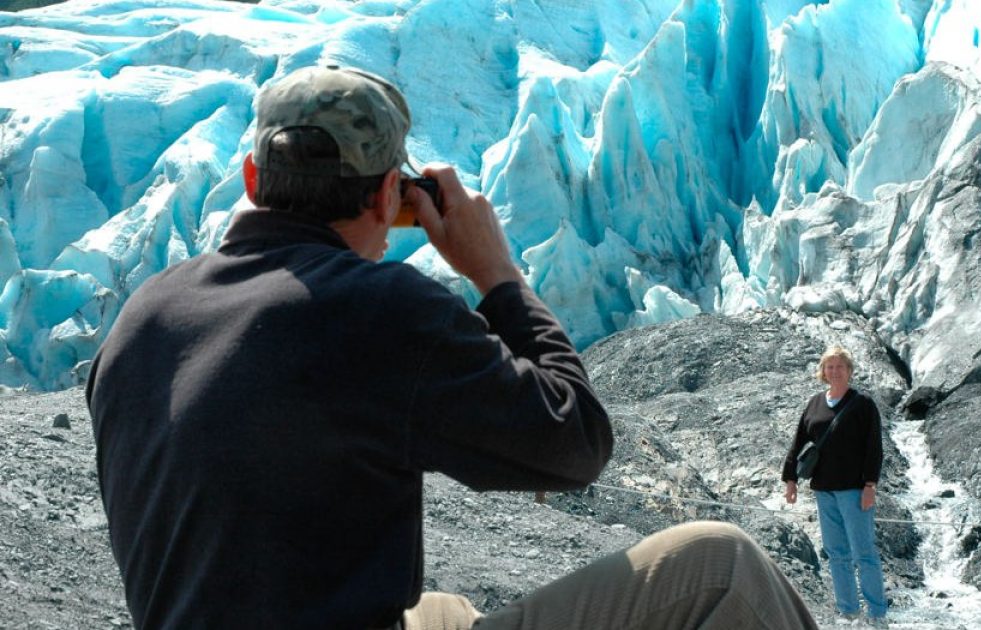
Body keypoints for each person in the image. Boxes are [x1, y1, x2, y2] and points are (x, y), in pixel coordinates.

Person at [87, 64, 818, 630]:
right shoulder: (376, 309)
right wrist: (495, 273)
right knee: (722, 566)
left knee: (440, 609)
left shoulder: (142, 316)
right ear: (387, 198)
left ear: (252, 179)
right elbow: (576, 441)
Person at [781, 346, 888, 628]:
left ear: (850, 371)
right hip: (824, 490)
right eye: (829, 366)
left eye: (840, 366)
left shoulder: (863, 403)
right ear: (823, 371)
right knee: (836, 553)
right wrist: (790, 479)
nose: (834, 371)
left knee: (864, 552)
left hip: (854, 490)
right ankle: (848, 612)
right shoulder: (815, 403)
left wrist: (870, 485)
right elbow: (798, 441)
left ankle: (877, 615)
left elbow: (873, 447)